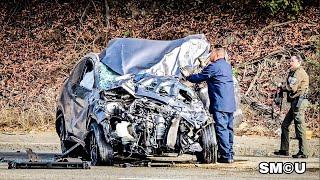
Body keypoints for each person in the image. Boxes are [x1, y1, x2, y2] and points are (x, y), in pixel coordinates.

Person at [181, 45, 236, 163]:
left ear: (216, 54)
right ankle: (230, 154)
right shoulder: (227, 66)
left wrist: (187, 77)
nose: (209, 56)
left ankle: (226, 156)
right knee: (229, 129)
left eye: (210, 53)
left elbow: (200, 77)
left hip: (220, 103)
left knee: (221, 129)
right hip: (230, 103)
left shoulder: (214, 67)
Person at [274, 55, 309, 158]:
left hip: (300, 102)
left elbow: (291, 87)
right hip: (295, 102)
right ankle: (284, 150)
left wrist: (282, 87)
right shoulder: (293, 72)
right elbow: (289, 83)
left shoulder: (299, 72)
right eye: (290, 61)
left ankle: (304, 152)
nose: (290, 63)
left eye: (292, 61)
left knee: (299, 126)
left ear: (298, 62)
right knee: (285, 125)